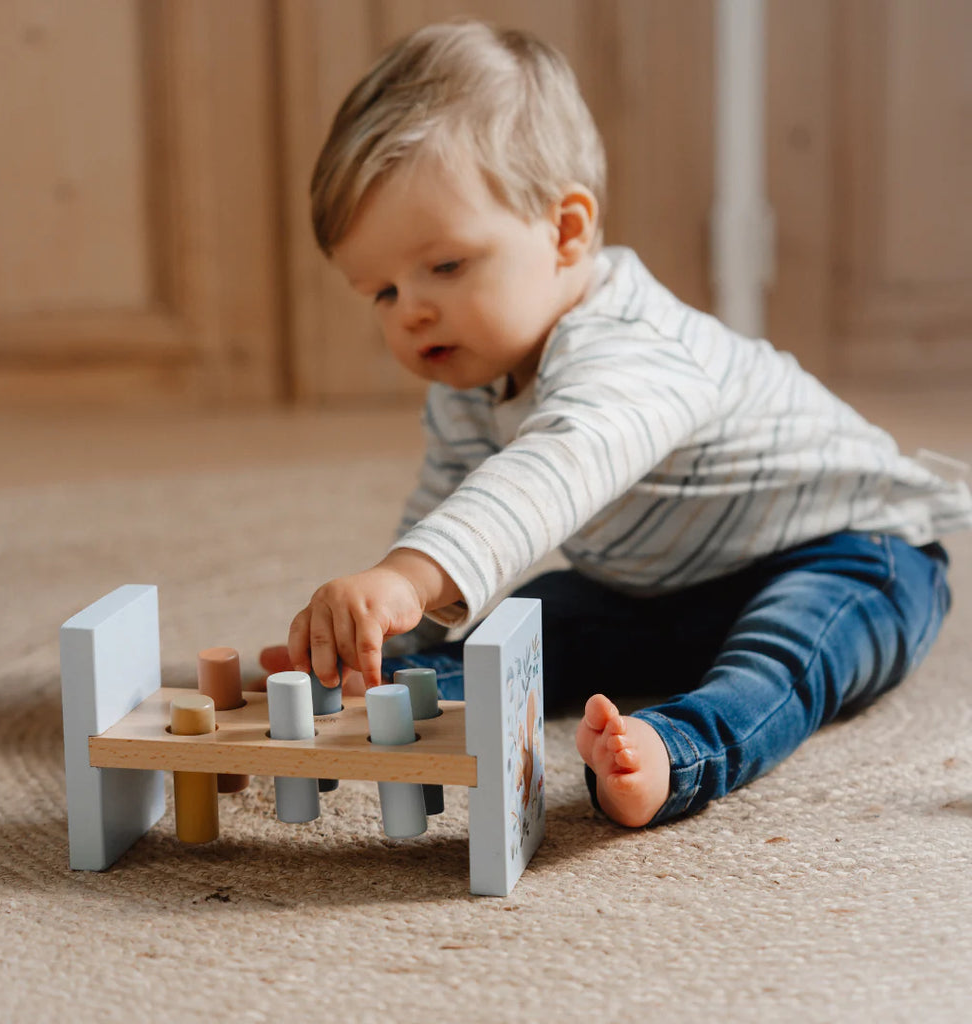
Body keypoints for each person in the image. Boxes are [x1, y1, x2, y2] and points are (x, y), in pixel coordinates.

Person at [271, 20, 970, 828]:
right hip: (670, 587)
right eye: (383, 293)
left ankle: (677, 749)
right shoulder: (467, 377)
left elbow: (547, 475)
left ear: (566, 231)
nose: (412, 311)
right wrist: (377, 634)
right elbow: (449, 514)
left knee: (788, 652)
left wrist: (404, 577)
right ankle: (395, 690)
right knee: (542, 617)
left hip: (857, 555)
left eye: (447, 265)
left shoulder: (632, 349)